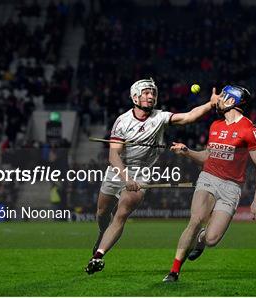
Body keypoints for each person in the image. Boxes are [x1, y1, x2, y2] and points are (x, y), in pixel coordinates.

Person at [85, 78, 219, 274]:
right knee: (102, 213)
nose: (151, 96)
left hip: (141, 173)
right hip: (117, 170)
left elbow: (188, 117)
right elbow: (114, 155)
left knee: (121, 214)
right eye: (146, 93)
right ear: (135, 97)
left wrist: (210, 104)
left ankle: (98, 256)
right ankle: (100, 236)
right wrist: (125, 179)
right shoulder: (122, 121)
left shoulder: (160, 117)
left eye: (153, 93)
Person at [162, 85, 256, 282]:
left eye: (222, 97)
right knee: (195, 220)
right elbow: (206, 157)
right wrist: (187, 152)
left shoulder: (248, 130)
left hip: (231, 187)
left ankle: (201, 240)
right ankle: (174, 271)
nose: (217, 101)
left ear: (232, 101)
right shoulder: (215, 126)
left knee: (212, 239)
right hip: (208, 178)